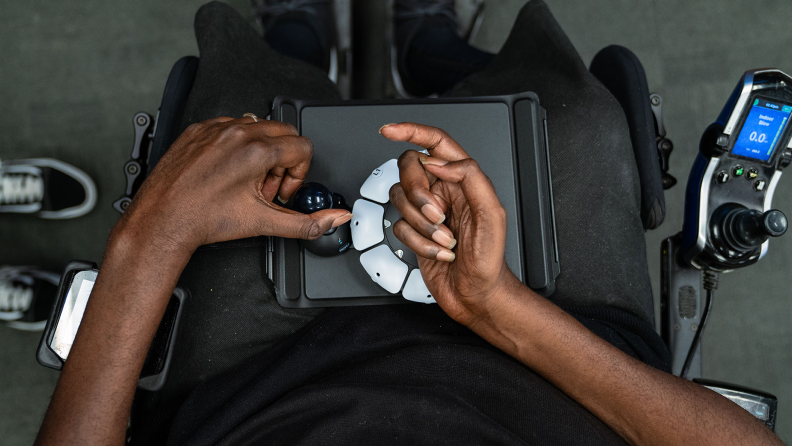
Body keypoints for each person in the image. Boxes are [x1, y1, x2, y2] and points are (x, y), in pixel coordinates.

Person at [34, 1, 783, 445]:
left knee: (243, 107)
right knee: (576, 118)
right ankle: (435, 48)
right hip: (561, 344)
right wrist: (504, 310)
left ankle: (290, 38)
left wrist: (150, 236)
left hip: (253, 376)